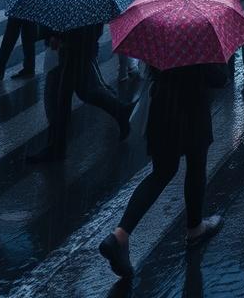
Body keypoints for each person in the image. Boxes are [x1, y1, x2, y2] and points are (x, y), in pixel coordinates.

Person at [98, 63, 227, 278]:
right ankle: (195, 228)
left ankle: (120, 234)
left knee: (161, 173)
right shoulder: (198, 43)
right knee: (196, 164)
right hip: (193, 108)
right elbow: (219, 78)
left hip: (162, 106)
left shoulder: (161, 44)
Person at [26, 24, 132, 163]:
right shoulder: (86, 12)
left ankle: (56, 147)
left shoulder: (75, 15)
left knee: (57, 97)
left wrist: (55, 35)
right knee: (82, 91)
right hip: (78, 47)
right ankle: (120, 111)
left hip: (73, 48)